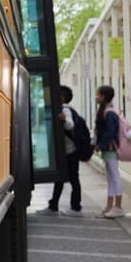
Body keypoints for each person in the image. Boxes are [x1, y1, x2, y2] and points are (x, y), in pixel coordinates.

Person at [36, 86, 82, 217]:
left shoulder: (65, 109)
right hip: (66, 151)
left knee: (72, 178)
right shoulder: (62, 108)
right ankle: (54, 205)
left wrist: (63, 119)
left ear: (62, 97)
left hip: (70, 151)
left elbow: (70, 125)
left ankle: (75, 207)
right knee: (60, 178)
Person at [94, 85, 125, 218]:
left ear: (104, 97)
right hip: (108, 149)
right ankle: (110, 205)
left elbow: (110, 132)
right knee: (111, 178)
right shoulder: (106, 111)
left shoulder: (109, 113)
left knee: (114, 177)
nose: (96, 97)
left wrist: (100, 144)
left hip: (110, 148)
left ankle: (117, 206)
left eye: (98, 95)